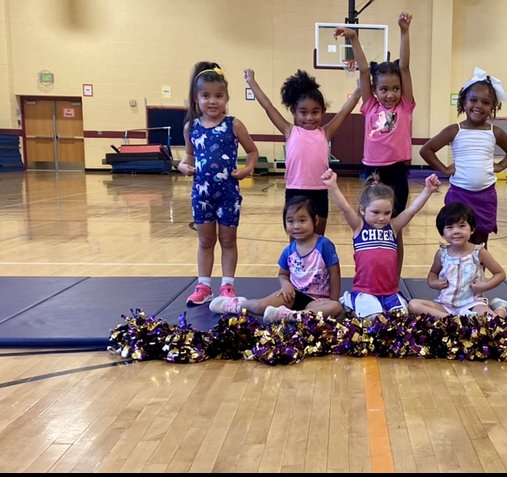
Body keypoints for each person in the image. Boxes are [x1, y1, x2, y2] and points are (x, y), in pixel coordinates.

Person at [334, 11, 415, 274]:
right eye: (384, 89)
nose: (390, 94)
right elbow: (365, 70)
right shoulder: (369, 106)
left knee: (395, 228)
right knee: (369, 226)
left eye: (395, 88)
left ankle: (393, 277)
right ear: (375, 90)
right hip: (372, 171)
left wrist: (404, 31)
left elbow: (404, 67)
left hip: (396, 171)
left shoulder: (405, 107)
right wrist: (354, 39)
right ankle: (368, 275)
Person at [179, 61, 259, 306]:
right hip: (202, 195)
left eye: (218, 96)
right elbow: (189, 155)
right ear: (196, 98)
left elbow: (252, 151)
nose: (212, 101)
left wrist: (246, 169)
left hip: (228, 194)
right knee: (205, 241)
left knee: (227, 240)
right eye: (206, 96)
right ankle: (204, 285)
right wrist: (183, 165)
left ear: (226, 98)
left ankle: (227, 285)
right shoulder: (191, 127)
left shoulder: (233, 124)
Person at [244, 68, 359, 236]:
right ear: (293, 112)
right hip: (295, 191)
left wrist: (359, 90)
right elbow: (268, 106)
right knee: (296, 242)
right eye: (303, 112)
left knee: (318, 242)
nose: (309, 117)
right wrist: (252, 82)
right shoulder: (289, 131)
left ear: (323, 111)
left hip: (320, 191)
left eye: (315, 112)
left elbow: (344, 111)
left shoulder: (325, 132)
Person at [321, 168, 441, 321]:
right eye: (376, 212)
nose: (382, 218)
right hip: (366, 291)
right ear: (363, 210)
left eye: (387, 213)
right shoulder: (359, 227)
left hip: (390, 292)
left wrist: (428, 190)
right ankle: (351, 302)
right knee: (376, 320)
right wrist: (332, 186)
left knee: (399, 320)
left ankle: (368, 307)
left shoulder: (393, 227)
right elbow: (345, 208)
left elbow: (411, 211)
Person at [419, 67, 507, 246]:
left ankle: (478, 274)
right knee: (458, 241)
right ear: (463, 102)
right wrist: (444, 169)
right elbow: (426, 150)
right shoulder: (454, 130)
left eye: (486, 102)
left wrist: (499, 166)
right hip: (459, 194)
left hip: (486, 196)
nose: (479, 106)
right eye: (473, 100)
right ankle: (456, 273)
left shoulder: (494, 132)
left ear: (493, 107)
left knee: (481, 243)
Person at [209, 195, 343, 322]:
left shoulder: (324, 245)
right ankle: (236, 305)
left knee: (335, 307)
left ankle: (289, 315)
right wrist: (286, 285)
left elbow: (334, 273)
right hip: (293, 295)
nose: (296, 226)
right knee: (260, 306)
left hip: (317, 302)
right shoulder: (289, 251)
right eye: (290, 221)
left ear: (315, 220)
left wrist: (332, 299)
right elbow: (283, 275)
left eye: (302, 220)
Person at [408, 202, 507, 319]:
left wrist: (484, 286)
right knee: (413, 305)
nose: (456, 231)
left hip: (472, 304)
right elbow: (433, 273)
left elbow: (500, 274)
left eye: (462, 226)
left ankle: (501, 308)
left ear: (472, 229)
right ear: (443, 233)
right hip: (445, 305)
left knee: (493, 322)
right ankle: (452, 319)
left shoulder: (478, 252)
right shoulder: (442, 254)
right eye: (450, 227)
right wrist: (433, 283)